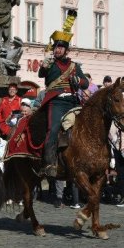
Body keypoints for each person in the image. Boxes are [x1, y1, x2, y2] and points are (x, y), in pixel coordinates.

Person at [38, 10, 88, 177]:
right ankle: (49, 163)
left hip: (73, 101)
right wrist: (44, 66)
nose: (57, 50)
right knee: (53, 130)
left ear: (66, 50)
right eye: (56, 47)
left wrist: (78, 82)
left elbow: (85, 83)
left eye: (60, 47)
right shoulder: (50, 64)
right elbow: (41, 75)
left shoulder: (74, 66)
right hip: (56, 102)